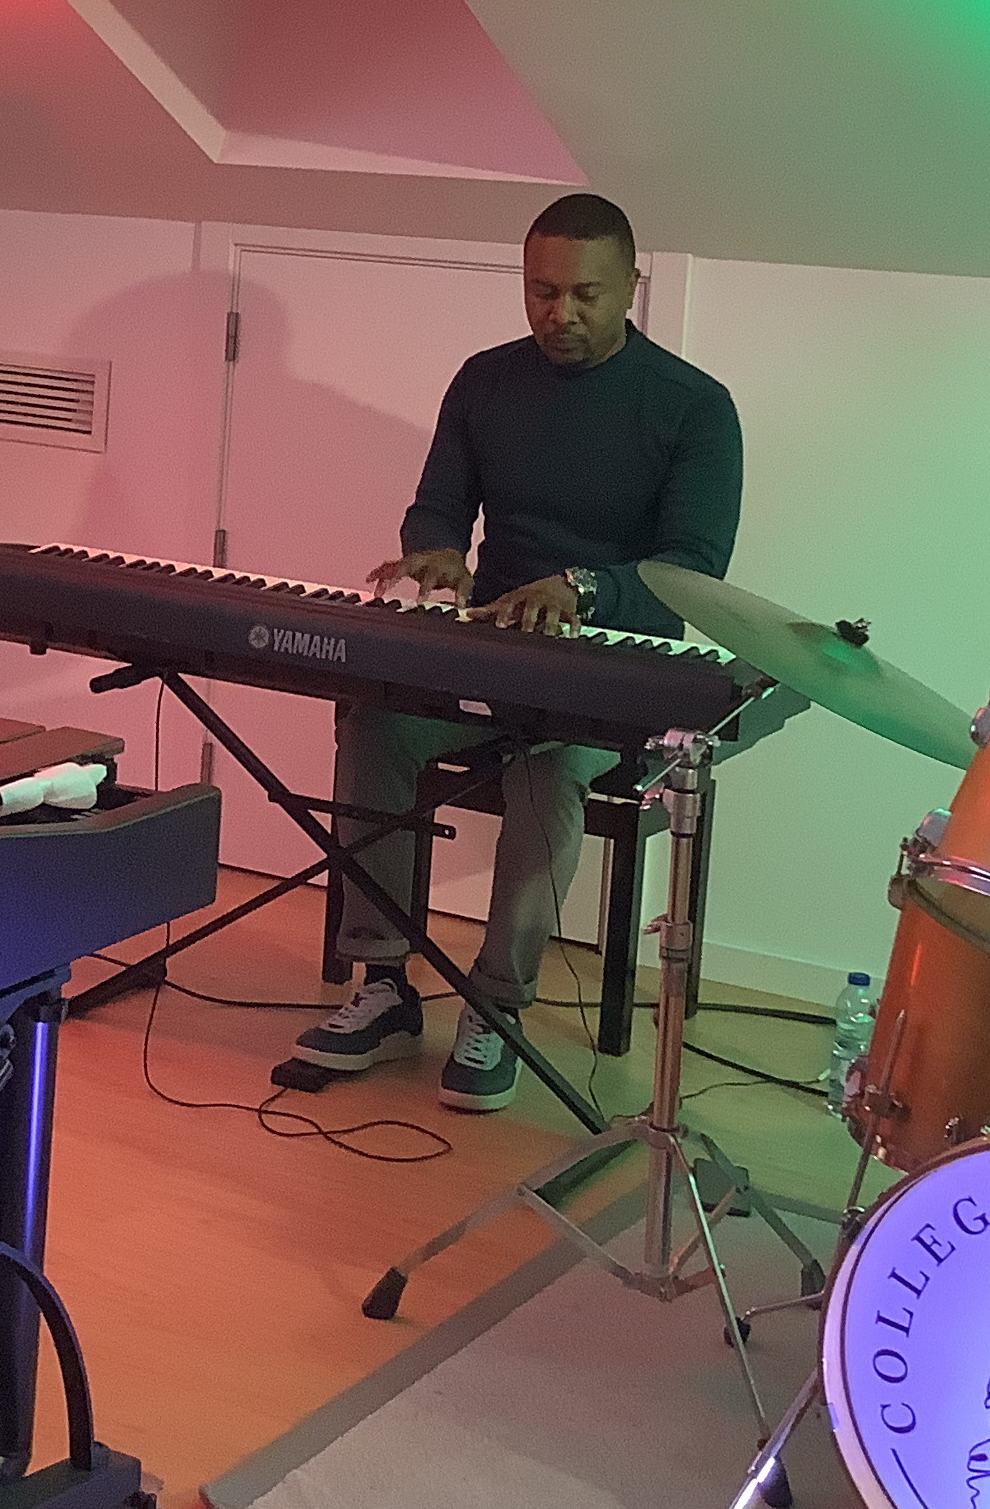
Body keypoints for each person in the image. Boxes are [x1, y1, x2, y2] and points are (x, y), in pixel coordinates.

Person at [290, 192, 742, 1110]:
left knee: (550, 770)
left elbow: (693, 570)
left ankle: (495, 1005)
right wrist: (434, 552)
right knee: (376, 725)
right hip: (493, 650)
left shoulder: (694, 407)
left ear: (631, 287)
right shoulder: (486, 381)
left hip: (611, 674)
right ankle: (383, 980)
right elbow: (439, 504)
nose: (559, 314)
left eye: (585, 295)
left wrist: (583, 589)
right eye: (541, 292)